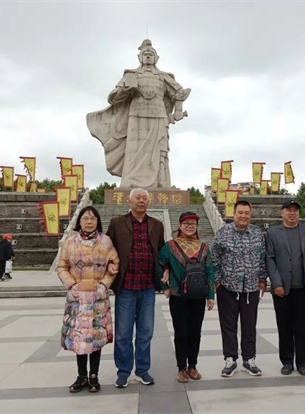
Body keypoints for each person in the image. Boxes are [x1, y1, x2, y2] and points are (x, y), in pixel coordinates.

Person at [87, 39, 191, 188]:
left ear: (156, 58)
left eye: (151, 54)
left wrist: (179, 110)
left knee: (160, 147)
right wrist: (125, 90)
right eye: (145, 54)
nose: (148, 56)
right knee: (134, 152)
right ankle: (131, 180)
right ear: (139, 57)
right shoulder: (131, 75)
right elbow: (113, 97)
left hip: (158, 115)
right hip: (136, 116)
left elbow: (179, 93)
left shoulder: (163, 77)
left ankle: (161, 180)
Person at [106, 188, 165, 388]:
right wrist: (109, 264)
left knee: (145, 331)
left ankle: (142, 370)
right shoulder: (117, 223)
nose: (141, 201)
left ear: (148, 202)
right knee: (123, 333)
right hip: (126, 287)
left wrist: (165, 271)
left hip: (148, 286)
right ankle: (123, 371)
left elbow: (161, 252)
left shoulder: (156, 225)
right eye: (137, 198)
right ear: (129, 201)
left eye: (144, 198)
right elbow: (107, 249)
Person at [57, 206, 119, 393]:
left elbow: (114, 263)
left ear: (98, 221)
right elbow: (62, 266)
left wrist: (104, 285)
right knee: (79, 337)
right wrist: (71, 286)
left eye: (93, 218)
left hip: (97, 298)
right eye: (86, 218)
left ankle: (94, 376)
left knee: (95, 337)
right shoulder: (70, 242)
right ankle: (81, 375)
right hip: (77, 298)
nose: (89, 221)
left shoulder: (105, 241)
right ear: (80, 221)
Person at [211, 200, 267, 377]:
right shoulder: (223, 233)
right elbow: (214, 258)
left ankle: (249, 359)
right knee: (228, 325)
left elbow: (262, 258)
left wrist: (262, 278)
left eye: (246, 213)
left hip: (250, 287)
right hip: (227, 287)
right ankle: (230, 359)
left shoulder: (257, 233)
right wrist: (217, 281)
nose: (243, 216)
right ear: (233, 214)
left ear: (250, 214)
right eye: (240, 213)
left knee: (249, 325)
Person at [158, 212, 215, 383]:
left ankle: (193, 366)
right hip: (178, 295)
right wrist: (164, 287)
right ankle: (181, 368)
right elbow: (159, 264)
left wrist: (210, 295)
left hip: (198, 295)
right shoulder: (170, 246)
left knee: (195, 332)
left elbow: (210, 271)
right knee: (181, 332)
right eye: (186, 223)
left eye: (193, 224)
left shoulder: (203, 247)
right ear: (180, 226)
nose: (190, 226)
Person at [265, 200, 305, 376]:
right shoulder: (272, 233)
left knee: (302, 327)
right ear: (282, 213)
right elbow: (269, 259)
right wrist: (276, 283)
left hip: (302, 288)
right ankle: (286, 361)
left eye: (295, 210)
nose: (292, 213)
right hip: (282, 289)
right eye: (289, 210)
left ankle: (302, 362)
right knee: (284, 326)